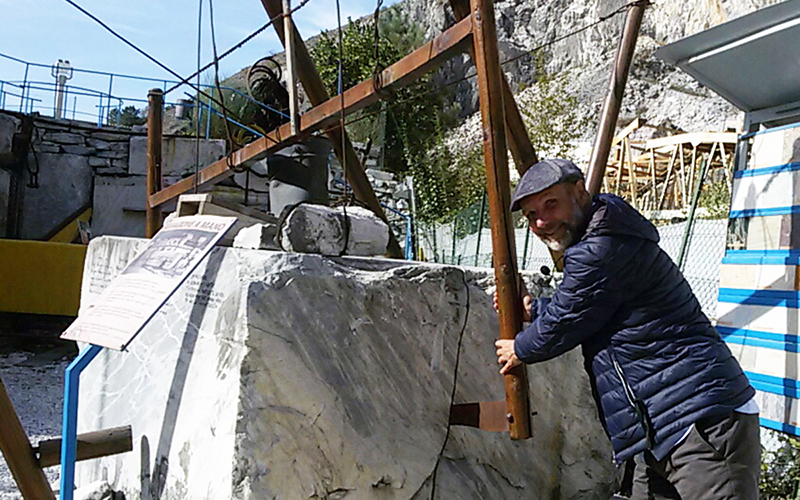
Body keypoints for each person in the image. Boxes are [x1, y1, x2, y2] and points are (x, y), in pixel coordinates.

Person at [494, 158, 760, 499]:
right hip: (663, 429)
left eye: (551, 204)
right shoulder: (604, 236)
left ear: (579, 193)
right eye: (531, 215)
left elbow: (565, 322)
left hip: (701, 423)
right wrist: (534, 309)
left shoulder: (601, 246)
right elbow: (595, 309)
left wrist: (518, 348)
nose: (542, 221)